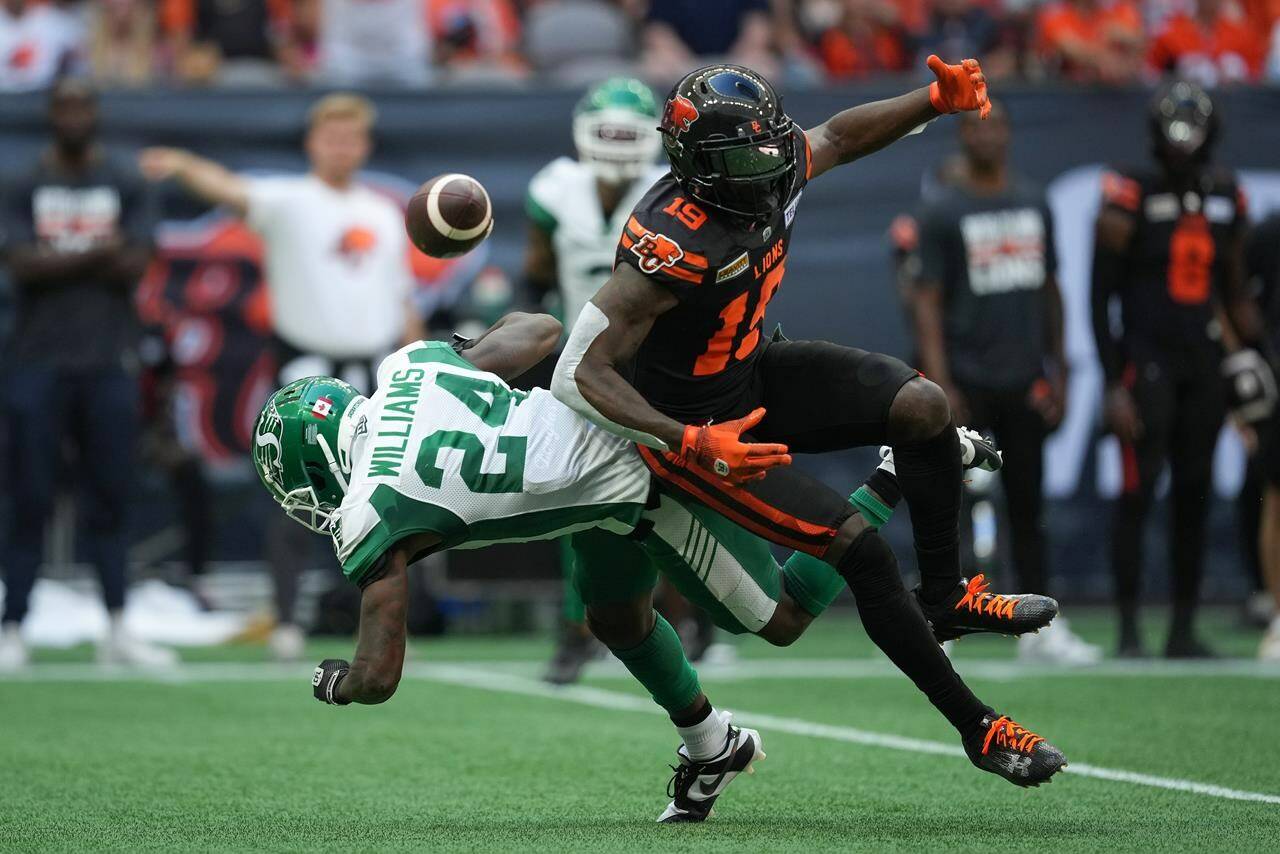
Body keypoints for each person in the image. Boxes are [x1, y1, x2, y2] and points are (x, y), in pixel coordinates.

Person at [251, 312, 1065, 825]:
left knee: (781, 616)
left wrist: (337, 682)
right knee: (613, 615)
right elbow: (537, 331)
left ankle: (894, 472)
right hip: (602, 435)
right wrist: (470, 359)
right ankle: (712, 747)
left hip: (648, 474)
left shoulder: (369, 512)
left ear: (317, 461)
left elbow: (380, 672)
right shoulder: (406, 370)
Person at [548, 57, 1064, 801]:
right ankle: (979, 728)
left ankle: (947, 596)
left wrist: (933, 99)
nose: (771, 165)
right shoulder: (669, 239)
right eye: (747, 156)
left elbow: (842, 135)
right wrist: (685, 440)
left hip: (753, 372)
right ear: (700, 165)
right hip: (697, 432)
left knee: (923, 406)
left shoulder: (774, 161)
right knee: (857, 554)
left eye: (771, 145)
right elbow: (578, 370)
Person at [139, 92, 421, 660]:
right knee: (297, 492)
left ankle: (369, 618)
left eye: (351, 137)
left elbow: (402, 301)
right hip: (308, 374)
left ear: (364, 145)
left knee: (383, 498)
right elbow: (228, 189)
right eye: (331, 136)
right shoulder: (290, 201)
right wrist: (181, 164)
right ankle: (288, 618)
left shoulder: (384, 214)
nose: (342, 147)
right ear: (313, 143)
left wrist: (417, 369)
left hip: (372, 370)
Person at [911, 101, 1099, 665]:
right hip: (966, 377)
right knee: (950, 504)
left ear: (1009, 134)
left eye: (994, 125)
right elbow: (927, 298)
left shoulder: (1033, 200)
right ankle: (948, 619)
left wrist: (1059, 368)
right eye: (975, 125)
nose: (986, 135)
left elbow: (1051, 287)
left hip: (1022, 377)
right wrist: (940, 379)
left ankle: (1043, 629)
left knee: (1027, 505)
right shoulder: (943, 209)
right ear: (962, 134)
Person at [0, 80, 174, 670]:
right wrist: (101, 251)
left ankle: (118, 625)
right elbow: (23, 266)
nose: (74, 116)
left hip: (108, 359)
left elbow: (135, 264)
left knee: (113, 494)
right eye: (64, 107)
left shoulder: (125, 180)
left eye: (82, 106)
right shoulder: (24, 181)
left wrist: (67, 260)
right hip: (37, 360)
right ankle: (13, 624)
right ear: (51, 116)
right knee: (28, 494)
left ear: (95, 114)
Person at [1091, 80, 1268, 658]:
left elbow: (1235, 289)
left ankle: (1183, 627)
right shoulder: (1130, 192)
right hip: (1147, 361)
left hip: (1204, 363)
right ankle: (1127, 629)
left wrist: (1254, 356)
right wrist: (1114, 381)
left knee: (1193, 492)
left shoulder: (1226, 194)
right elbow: (1100, 296)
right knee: (1138, 493)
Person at [523, 76, 668, 684]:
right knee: (571, 491)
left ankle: (679, 618)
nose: (615, 145)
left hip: (660, 361)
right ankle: (578, 626)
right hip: (580, 363)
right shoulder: (555, 190)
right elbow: (534, 277)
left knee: (671, 491)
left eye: (626, 133)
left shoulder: (669, 190)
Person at [1244, 211, 1280, 659]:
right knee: (1277, 495)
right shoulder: (1271, 231)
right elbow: (1235, 292)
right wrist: (1248, 358)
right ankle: (1279, 614)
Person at [1148, 0, 1265, 87]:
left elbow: (1257, 80)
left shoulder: (1242, 34)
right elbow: (1151, 75)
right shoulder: (1171, 32)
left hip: (1232, 107)